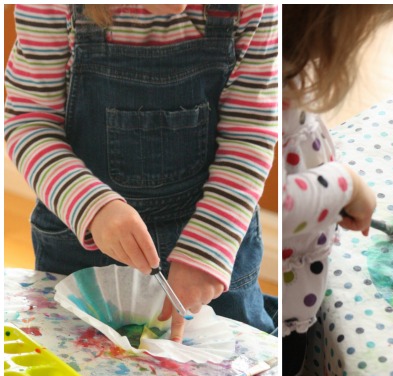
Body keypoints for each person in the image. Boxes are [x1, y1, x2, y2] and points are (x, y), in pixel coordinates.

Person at [5, 4, 278, 340]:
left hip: (217, 234)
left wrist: (209, 247)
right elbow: (30, 124)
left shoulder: (253, 8)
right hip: (81, 246)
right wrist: (93, 206)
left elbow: (249, 135)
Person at [282, 4, 393, 376]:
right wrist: (345, 185)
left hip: (302, 276)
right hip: (282, 307)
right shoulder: (264, 86)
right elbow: (279, 205)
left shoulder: (284, 73)